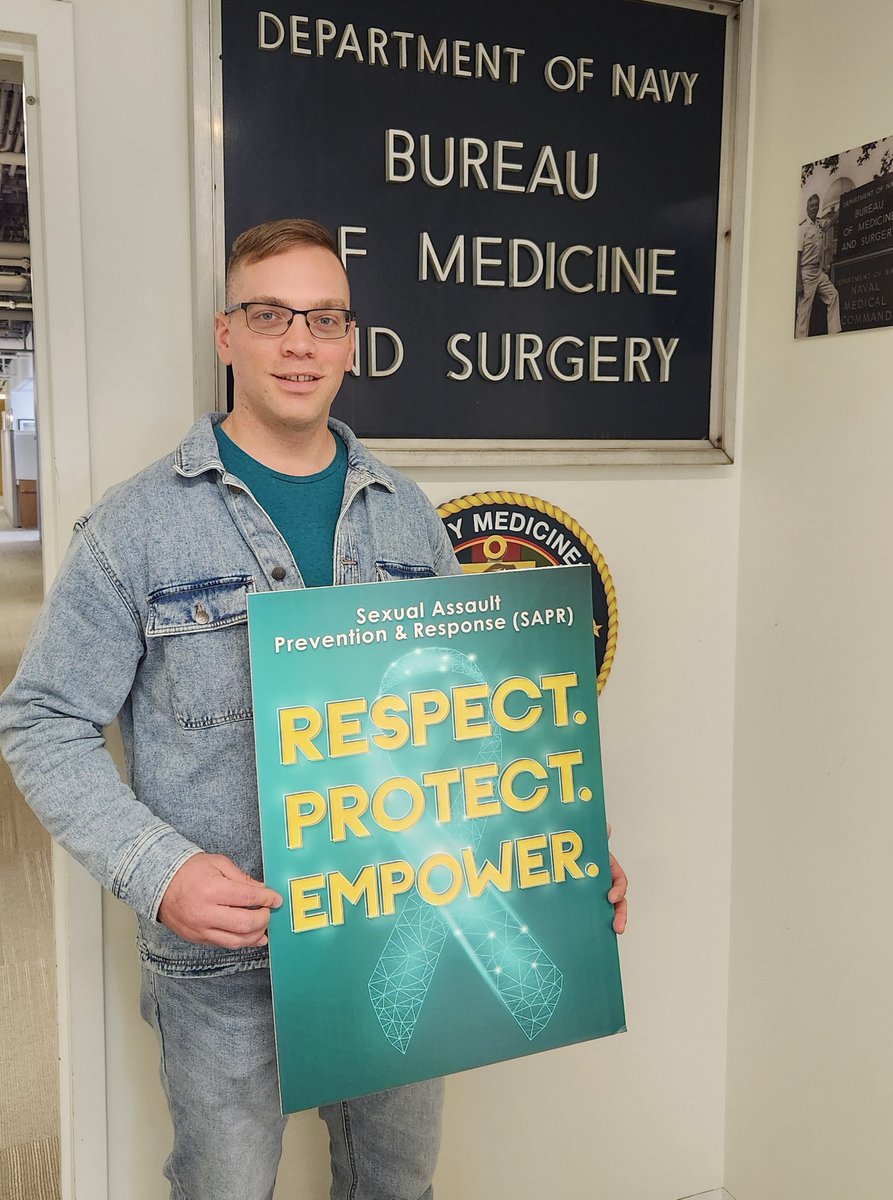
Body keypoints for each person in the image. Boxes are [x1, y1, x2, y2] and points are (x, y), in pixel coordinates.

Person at [0, 218, 628, 1200]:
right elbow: (39, 720)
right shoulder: (135, 528)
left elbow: (475, 720)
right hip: (226, 967)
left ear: (348, 341)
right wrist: (159, 873)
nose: (299, 343)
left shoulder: (406, 515)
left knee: (396, 1188)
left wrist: (557, 854)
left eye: (323, 319)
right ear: (226, 335)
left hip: (400, 922)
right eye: (271, 315)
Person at [796, 192, 841, 338]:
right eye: (811, 205)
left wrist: (846, 200)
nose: (814, 208)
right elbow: (798, 255)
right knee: (804, 312)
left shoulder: (819, 224)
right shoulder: (802, 228)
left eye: (816, 205)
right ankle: (800, 341)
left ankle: (834, 333)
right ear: (807, 207)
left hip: (818, 272)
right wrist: (798, 282)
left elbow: (833, 220)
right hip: (806, 272)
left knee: (833, 295)